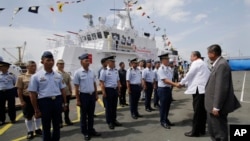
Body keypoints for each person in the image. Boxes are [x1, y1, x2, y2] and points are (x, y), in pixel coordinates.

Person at [28, 51, 67, 141]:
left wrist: (65, 103)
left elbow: (63, 90)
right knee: (46, 126)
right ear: (42, 62)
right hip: (45, 102)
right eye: (48, 60)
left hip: (57, 101)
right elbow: (32, 94)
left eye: (52, 60)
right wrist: (36, 109)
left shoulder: (58, 75)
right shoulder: (36, 76)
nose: (51, 62)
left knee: (57, 125)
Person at [205, 44, 241, 141]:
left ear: (213, 53)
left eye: (208, 53)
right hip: (212, 105)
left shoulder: (222, 65)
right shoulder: (218, 64)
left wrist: (216, 106)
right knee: (213, 131)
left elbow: (221, 87)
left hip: (216, 107)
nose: (207, 55)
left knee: (220, 133)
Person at [177, 51, 210, 137]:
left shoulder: (196, 63)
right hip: (203, 90)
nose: (190, 58)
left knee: (197, 112)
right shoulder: (203, 63)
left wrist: (181, 83)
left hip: (198, 90)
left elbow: (189, 75)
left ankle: (195, 132)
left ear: (195, 56)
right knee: (202, 111)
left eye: (191, 56)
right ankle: (202, 130)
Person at [73, 53, 101, 141]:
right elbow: (76, 88)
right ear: (81, 62)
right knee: (84, 115)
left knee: (91, 115)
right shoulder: (77, 73)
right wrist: (78, 99)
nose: (88, 62)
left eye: (88, 61)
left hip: (91, 95)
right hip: (83, 96)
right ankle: (85, 132)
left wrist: (96, 94)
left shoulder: (92, 71)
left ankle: (91, 130)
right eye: (86, 61)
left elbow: (94, 84)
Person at [16, 61, 42, 139]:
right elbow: (19, 90)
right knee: (28, 116)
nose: (34, 67)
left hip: (38, 97)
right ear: (27, 67)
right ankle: (30, 131)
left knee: (38, 114)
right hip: (27, 98)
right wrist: (21, 101)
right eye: (32, 66)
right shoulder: (21, 77)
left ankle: (38, 129)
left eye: (35, 66)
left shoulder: (39, 76)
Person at [99, 56, 122, 130]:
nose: (114, 63)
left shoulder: (115, 70)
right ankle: (109, 122)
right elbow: (102, 82)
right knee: (108, 108)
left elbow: (118, 81)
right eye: (112, 62)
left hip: (114, 90)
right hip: (108, 90)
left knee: (114, 107)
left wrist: (118, 90)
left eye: (114, 62)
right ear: (108, 62)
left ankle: (114, 120)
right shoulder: (104, 71)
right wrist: (103, 92)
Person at [157, 53, 178, 129]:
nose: (168, 60)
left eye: (168, 59)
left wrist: (174, 84)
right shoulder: (160, 69)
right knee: (163, 106)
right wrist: (175, 84)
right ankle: (163, 121)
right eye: (166, 59)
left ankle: (166, 119)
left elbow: (170, 79)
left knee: (168, 106)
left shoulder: (168, 68)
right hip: (163, 90)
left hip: (168, 89)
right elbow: (165, 80)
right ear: (162, 60)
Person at [56, 59, 73, 127]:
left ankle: (67, 120)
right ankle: (60, 122)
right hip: (59, 94)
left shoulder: (66, 74)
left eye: (62, 64)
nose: (61, 65)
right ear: (57, 65)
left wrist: (70, 91)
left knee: (66, 107)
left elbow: (68, 83)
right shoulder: (55, 74)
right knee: (59, 108)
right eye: (60, 64)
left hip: (67, 93)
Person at [0, 57, 17, 125]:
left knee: (11, 106)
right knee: (1, 106)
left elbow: (15, 83)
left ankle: (12, 118)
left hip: (10, 91)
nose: (1, 68)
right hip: (1, 92)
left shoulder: (11, 75)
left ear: (6, 67)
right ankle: (2, 120)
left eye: (2, 67)